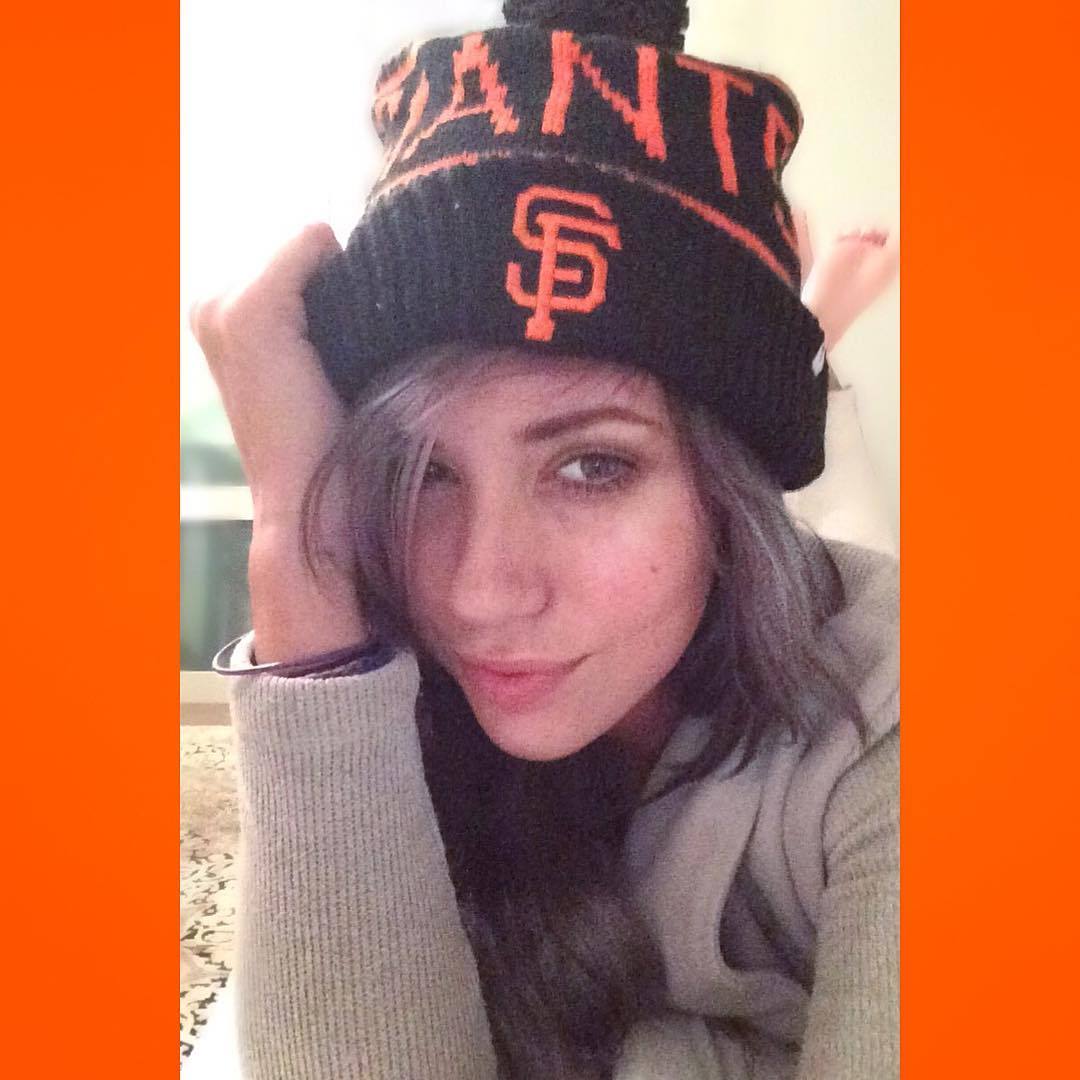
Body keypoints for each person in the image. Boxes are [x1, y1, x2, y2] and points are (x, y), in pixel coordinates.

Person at [191, 3, 898, 1078]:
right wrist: (299, 546)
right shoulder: (383, 676)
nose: (477, 593)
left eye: (592, 467)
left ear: (729, 490)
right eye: (426, 473)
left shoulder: (899, 714)